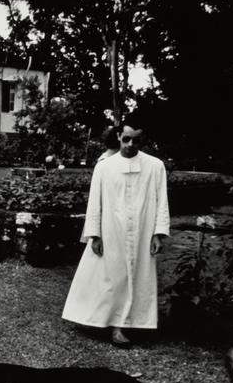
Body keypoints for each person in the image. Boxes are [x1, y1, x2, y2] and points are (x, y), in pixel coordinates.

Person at [62, 124, 170, 347]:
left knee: (138, 277)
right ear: (119, 137)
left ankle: (126, 325)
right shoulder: (104, 167)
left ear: (143, 141)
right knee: (109, 278)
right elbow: (95, 201)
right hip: (111, 229)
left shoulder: (155, 166)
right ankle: (104, 321)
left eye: (136, 141)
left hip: (142, 230)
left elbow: (162, 203)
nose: (130, 145)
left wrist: (158, 234)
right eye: (126, 139)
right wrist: (95, 233)